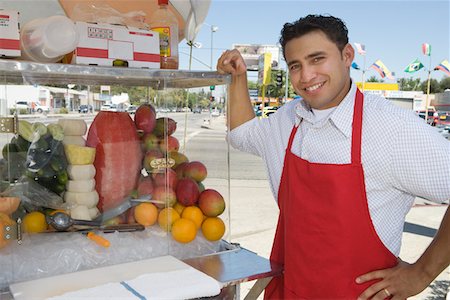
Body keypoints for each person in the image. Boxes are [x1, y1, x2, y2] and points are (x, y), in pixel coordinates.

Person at [217, 14, 450, 299]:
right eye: (295, 66)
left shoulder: (392, 128)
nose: (306, 76)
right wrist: (237, 78)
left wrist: (422, 274)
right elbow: (242, 133)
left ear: (347, 55)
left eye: (317, 59)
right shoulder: (287, 120)